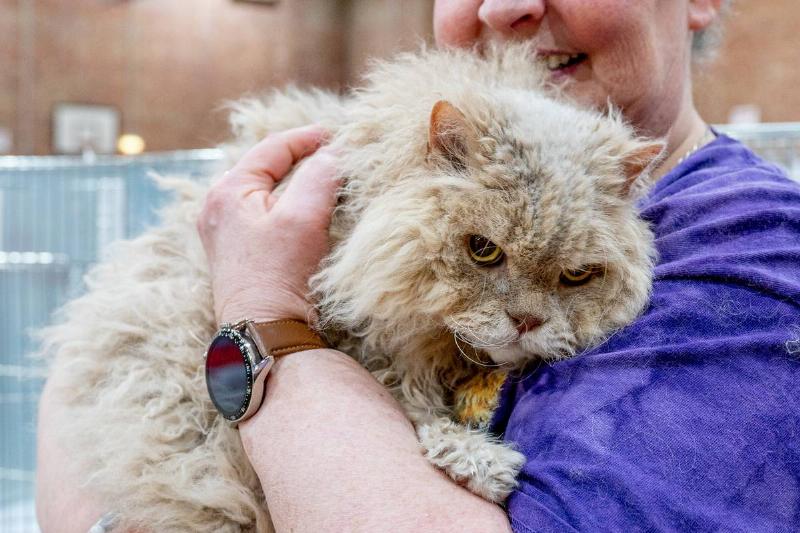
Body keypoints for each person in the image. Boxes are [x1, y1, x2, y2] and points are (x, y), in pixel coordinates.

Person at [36, 1, 800, 531]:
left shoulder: (755, 249)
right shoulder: (345, 180)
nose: (504, 7)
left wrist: (260, 303)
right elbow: (86, 388)